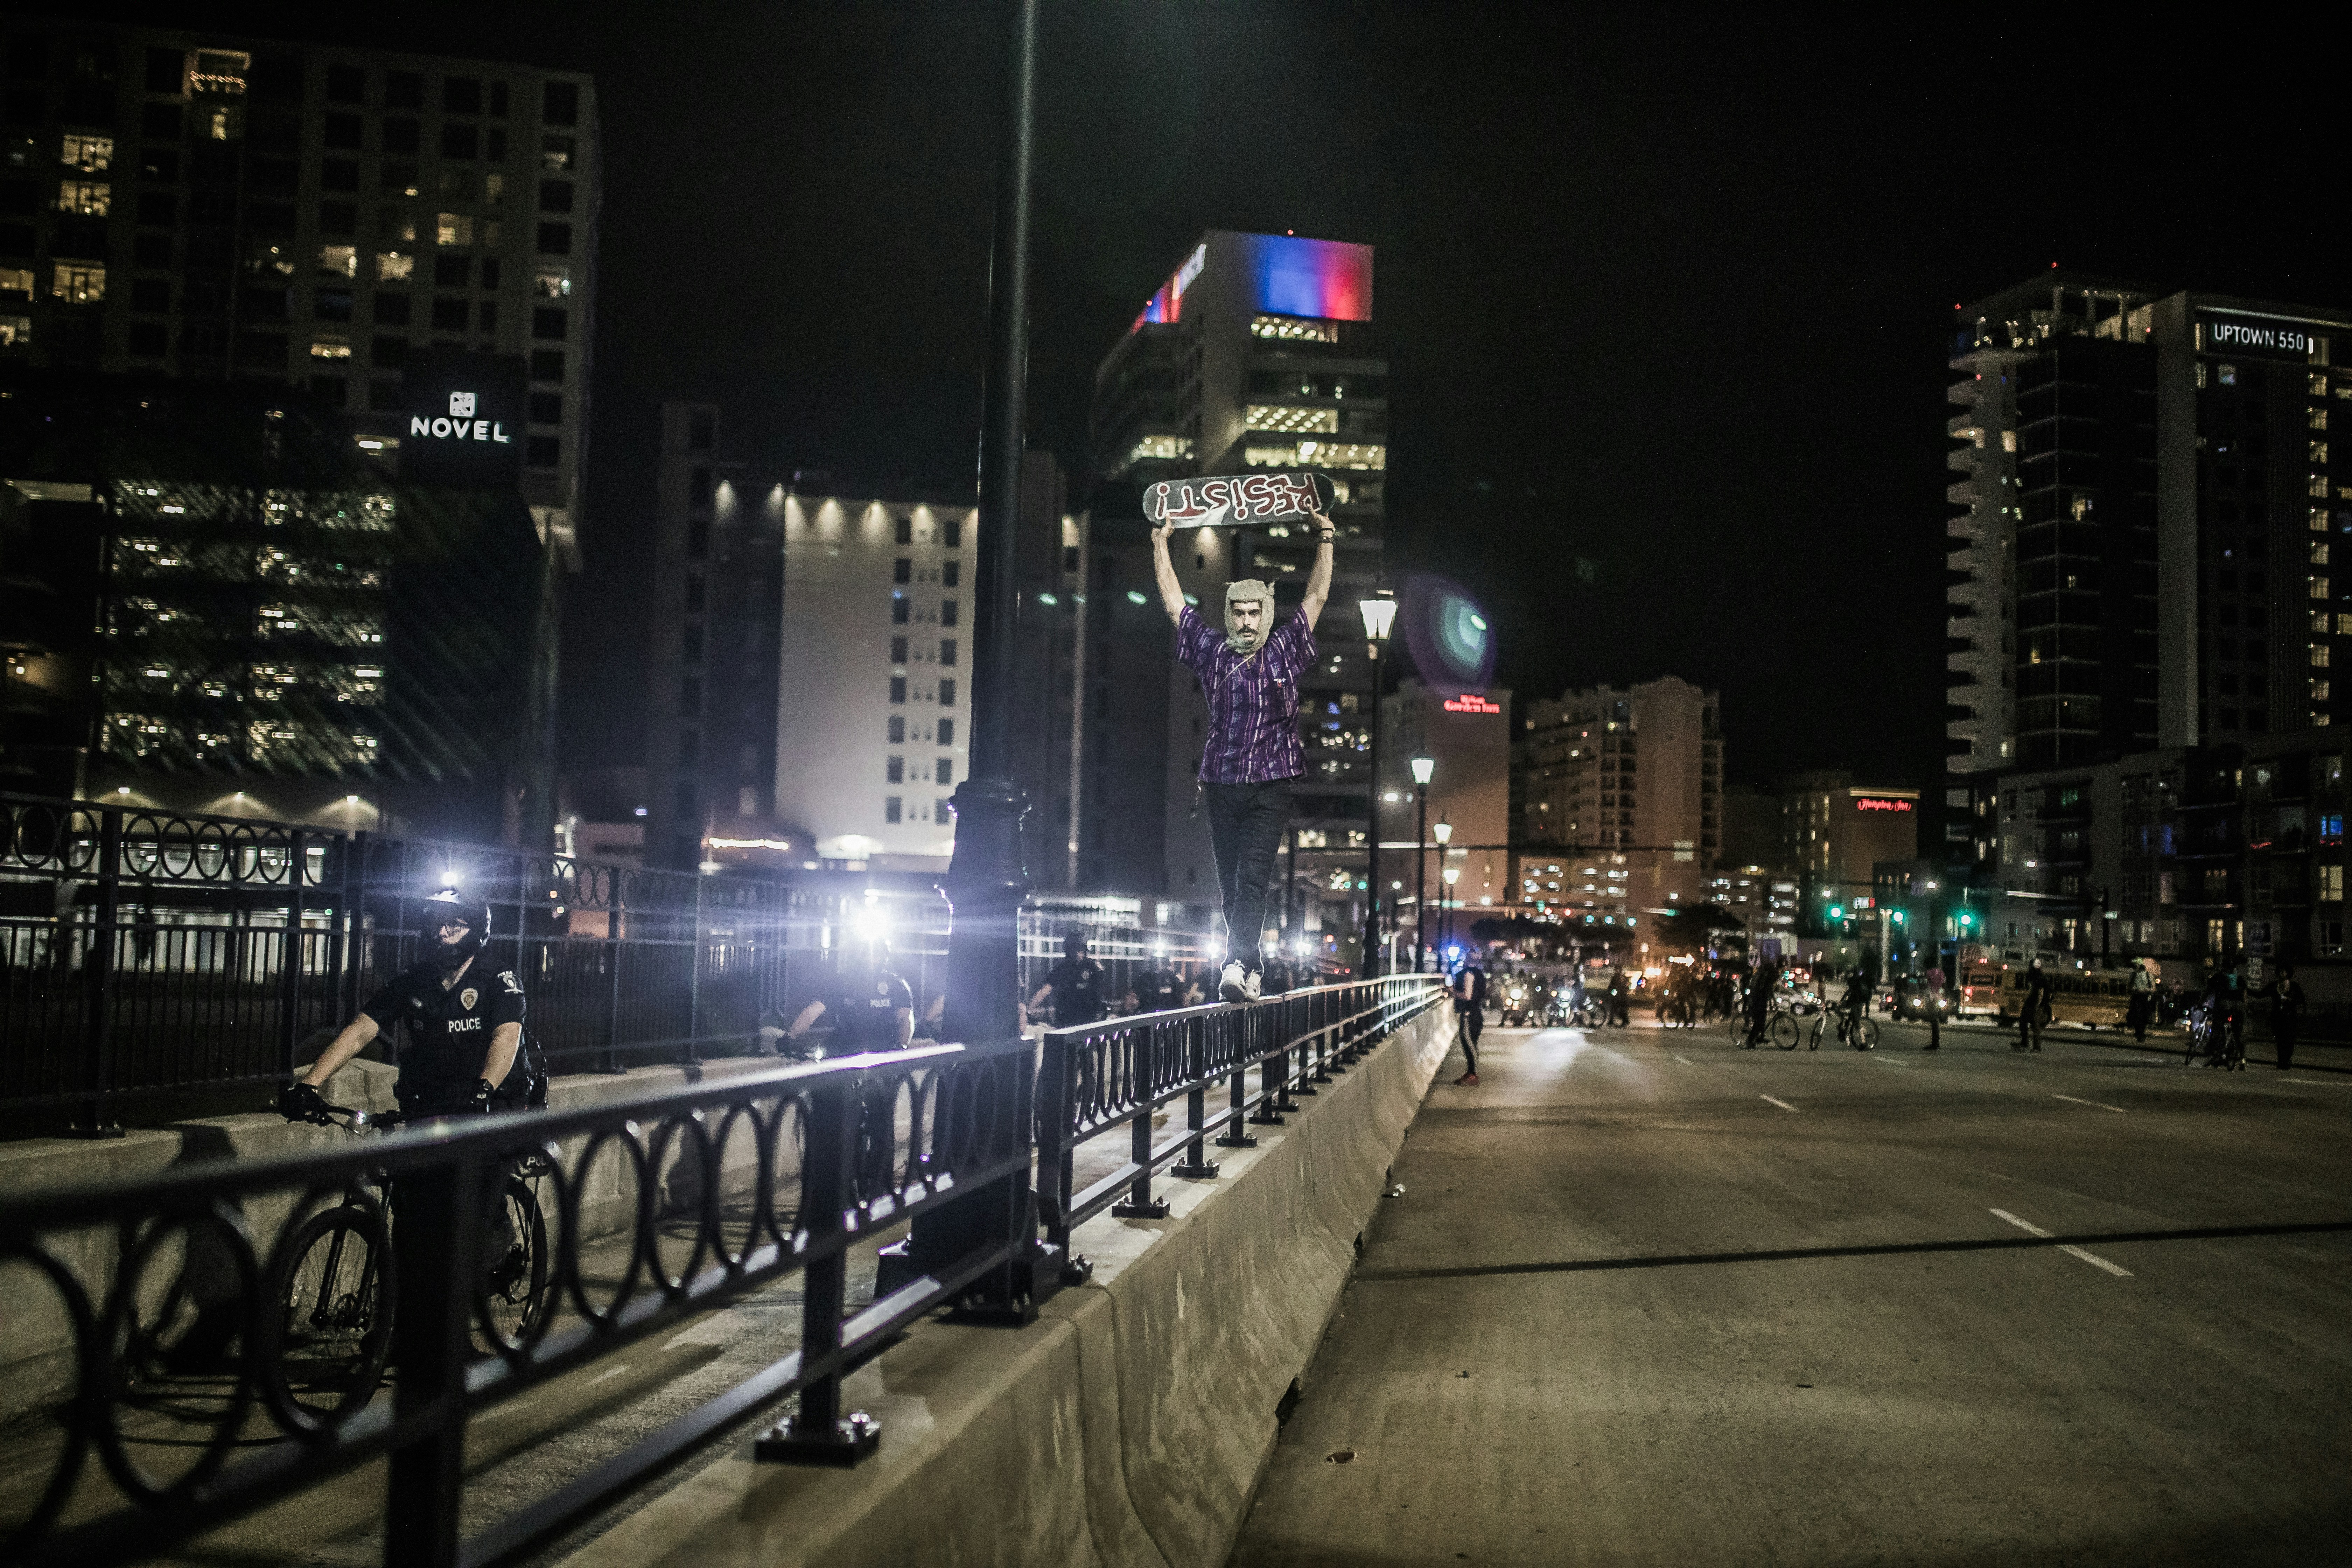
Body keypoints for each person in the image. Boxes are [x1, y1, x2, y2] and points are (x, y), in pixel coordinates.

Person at [1153, 499, 1335, 1002]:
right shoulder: (1213, 653)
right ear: (1230, 615)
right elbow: (1174, 605)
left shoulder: (1284, 650)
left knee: (1254, 876)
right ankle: (1250, 969)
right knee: (1231, 885)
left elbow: (1317, 596)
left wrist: (1326, 538)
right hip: (1221, 781)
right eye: (1239, 611)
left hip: (1272, 784)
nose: (1248, 621)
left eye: (1256, 612)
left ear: (1267, 614)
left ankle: (1236, 961)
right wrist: (1160, 544)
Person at [281, 887, 533, 1123]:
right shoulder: (413, 980)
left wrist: (484, 1089)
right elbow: (361, 1031)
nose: (442, 933)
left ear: (477, 930)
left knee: (483, 1165)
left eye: (453, 925)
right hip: (434, 1101)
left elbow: (507, 1038)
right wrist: (309, 1084)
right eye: (436, 923)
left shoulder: (499, 980)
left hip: (492, 1100)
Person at [1027, 931, 1110, 1030]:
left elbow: (1100, 992)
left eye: (1081, 950)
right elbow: (1045, 990)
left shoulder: (1092, 968)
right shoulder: (1063, 969)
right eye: (1075, 950)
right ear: (1068, 951)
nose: (1078, 954)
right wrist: (1029, 1009)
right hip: (1067, 1019)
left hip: (1088, 1019)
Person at [1450, 960, 1487, 1085]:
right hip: (1476, 1014)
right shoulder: (1479, 974)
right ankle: (1470, 1072)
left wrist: (1451, 991)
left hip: (1469, 1015)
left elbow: (1467, 996)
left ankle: (1473, 1074)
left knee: (1468, 1043)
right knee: (1470, 1043)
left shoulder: (1468, 974)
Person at [2263, 961, 2305, 1071]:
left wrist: (2290, 1000)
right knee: (2280, 1041)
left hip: (2290, 1017)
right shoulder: (2274, 986)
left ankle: (2286, 1059)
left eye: (2284, 971)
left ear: (2288, 973)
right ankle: (2282, 1061)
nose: (2282, 973)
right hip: (2278, 1017)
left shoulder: (2294, 986)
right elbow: (2261, 994)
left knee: (2290, 1040)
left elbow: (2301, 999)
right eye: (2281, 971)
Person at [2017, 959, 2052, 1053]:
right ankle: (2026, 1044)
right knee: (2024, 1022)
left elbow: (2041, 993)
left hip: (2036, 1005)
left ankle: (2035, 1047)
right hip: (2032, 1003)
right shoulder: (2037, 976)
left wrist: (2037, 1006)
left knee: (2033, 1025)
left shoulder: (2038, 977)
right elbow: (2033, 991)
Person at [2128, 957, 2157, 1042]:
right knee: (2134, 1014)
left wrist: (2145, 990)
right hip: (2136, 997)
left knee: (2143, 1016)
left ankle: (2141, 1032)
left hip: (2145, 998)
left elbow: (2154, 989)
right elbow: (2129, 987)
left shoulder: (2149, 975)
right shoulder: (2133, 975)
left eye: (2136, 965)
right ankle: (2138, 1031)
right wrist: (2133, 989)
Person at [1923, 964, 1946, 1050]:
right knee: (1935, 1022)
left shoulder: (1929, 973)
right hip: (1938, 998)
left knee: (1934, 1022)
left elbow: (1926, 984)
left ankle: (1935, 1044)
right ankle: (1936, 1043)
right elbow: (1943, 985)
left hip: (1932, 999)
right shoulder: (1940, 973)